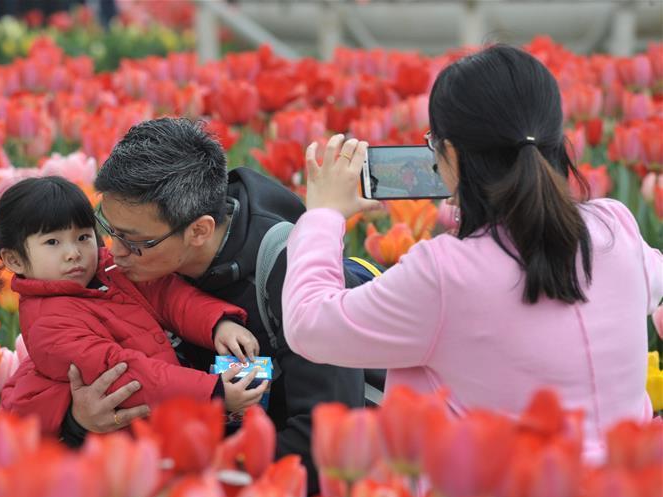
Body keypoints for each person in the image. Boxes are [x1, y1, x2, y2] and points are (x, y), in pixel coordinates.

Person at [282, 45, 663, 464]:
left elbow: (309, 325)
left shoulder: (445, 274)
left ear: (451, 156)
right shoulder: (616, 230)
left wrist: (322, 215)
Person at [5, 118, 370, 495]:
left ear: (199, 231)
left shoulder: (292, 273)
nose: (113, 252)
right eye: (107, 230)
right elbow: (49, 371)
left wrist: (199, 483)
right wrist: (77, 422)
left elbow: (325, 436)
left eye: (134, 241)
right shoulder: (119, 270)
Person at [0, 176, 268, 436]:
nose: (74, 253)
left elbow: (166, 294)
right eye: (53, 243)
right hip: (128, 440)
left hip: (171, 408)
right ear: (15, 260)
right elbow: (121, 370)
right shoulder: (48, 325)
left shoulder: (109, 268)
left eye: (82, 237)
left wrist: (216, 323)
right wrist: (212, 393)